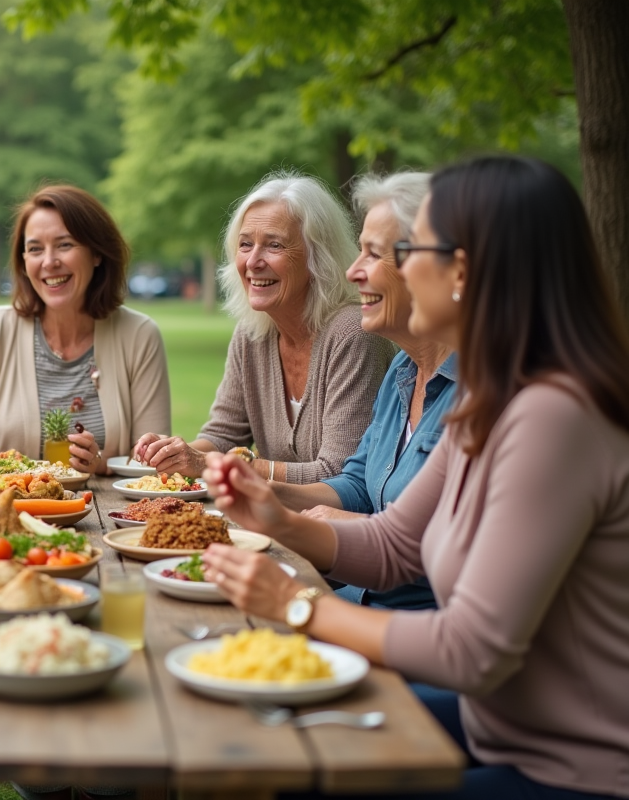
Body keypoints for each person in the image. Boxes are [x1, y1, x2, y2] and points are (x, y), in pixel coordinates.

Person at [202, 155, 629, 799]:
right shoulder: (496, 391)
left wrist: (295, 604)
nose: (363, 270)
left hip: (571, 769)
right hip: (499, 727)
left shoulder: (551, 415)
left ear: (461, 271)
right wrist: (275, 517)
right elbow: (397, 544)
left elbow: (469, 651)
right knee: (280, 743)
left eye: (409, 247)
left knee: (296, 768)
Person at [134, 171, 395, 485]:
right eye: (245, 245)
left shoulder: (353, 335)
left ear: (318, 258)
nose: (253, 261)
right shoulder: (251, 334)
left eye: (274, 245)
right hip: (270, 523)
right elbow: (222, 434)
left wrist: (211, 464)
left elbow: (337, 474)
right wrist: (176, 453)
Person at [269, 173, 454, 611]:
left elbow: (439, 553)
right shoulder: (403, 370)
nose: (352, 271)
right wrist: (266, 491)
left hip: (411, 623)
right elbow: (356, 483)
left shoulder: (487, 396)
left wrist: (307, 527)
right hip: (357, 600)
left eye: (372, 253)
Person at [0, 184, 171, 475]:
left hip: (106, 516)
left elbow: (155, 456)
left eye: (65, 245)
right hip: (5, 510)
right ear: (24, 262)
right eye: (35, 249)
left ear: (97, 253)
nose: (49, 262)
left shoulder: (139, 335)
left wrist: (100, 464)